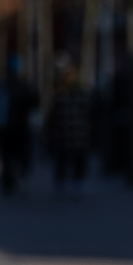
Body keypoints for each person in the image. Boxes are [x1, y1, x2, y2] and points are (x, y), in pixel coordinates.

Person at [0, 58, 37, 196]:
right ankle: (21, 178)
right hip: (21, 128)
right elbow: (34, 104)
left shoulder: (0, 86)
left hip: (3, 129)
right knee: (22, 156)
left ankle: (8, 184)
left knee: (6, 158)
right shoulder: (24, 87)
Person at [49, 67, 91, 197]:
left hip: (66, 135)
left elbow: (53, 116)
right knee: (73, 160)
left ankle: (64, 185)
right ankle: (74, 185)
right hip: (77, 135)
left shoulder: (61, 95)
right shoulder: (81, 95)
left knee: (65, 161)